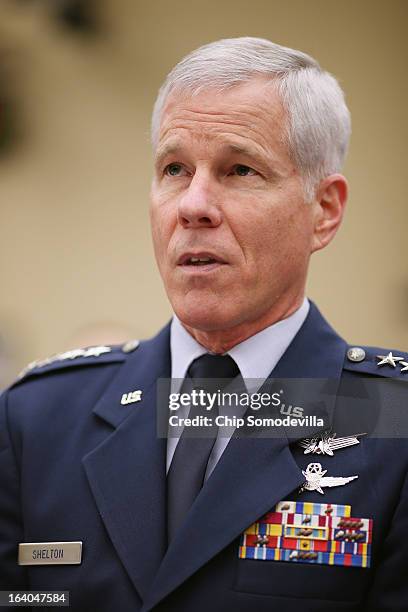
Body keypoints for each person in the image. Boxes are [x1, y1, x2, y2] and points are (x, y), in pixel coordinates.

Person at [0, 37, 407, 612]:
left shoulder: (396, 423)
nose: (193, 205)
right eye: (174, 169)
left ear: (325, 210)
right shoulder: (37, 419)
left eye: (239, 169)